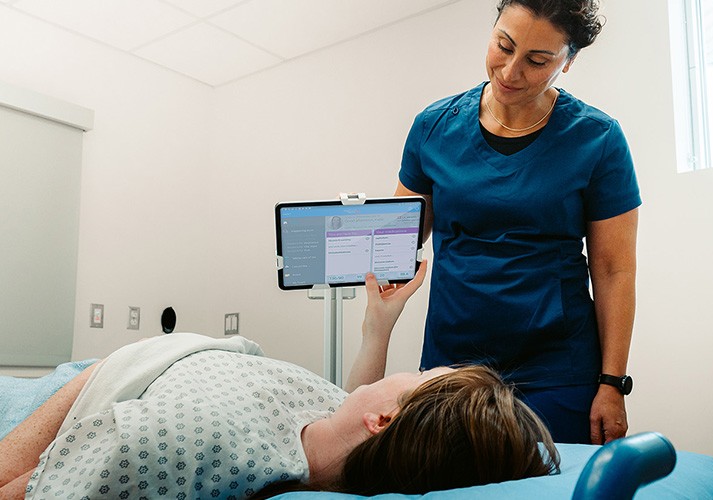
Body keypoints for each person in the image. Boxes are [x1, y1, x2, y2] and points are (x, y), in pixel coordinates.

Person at [0, 261, 559, 500]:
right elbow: (354, 399)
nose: (402, 373)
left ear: (383, 419)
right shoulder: (340, 433)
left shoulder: (186, 443)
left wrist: (97, 375)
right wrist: (378, 327)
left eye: (416, 374)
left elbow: (28, 484)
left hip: (54, 400)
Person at [394, 0, 641, 445]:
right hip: (452, 367)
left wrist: (612, 383)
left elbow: (613, 270)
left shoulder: (597, 139)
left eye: (537, 60)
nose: (510, 71)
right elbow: (397, 242)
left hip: (557, 371)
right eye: (503, 46)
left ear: (567, 62)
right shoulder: (433, 128)